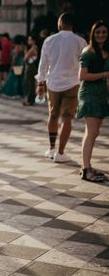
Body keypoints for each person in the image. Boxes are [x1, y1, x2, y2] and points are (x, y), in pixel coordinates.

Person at [35, 13, 87, 163]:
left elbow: (43, 63)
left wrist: (40, 82)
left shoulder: (49, 40)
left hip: (53, 84)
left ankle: (51, 148)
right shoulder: (80, 41)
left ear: (60, 24)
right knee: (67, 118)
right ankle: (60, 153)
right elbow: (84, 63)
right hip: (72, 83)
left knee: (52, 115)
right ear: (72, 24)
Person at [77, 21, 109, 182]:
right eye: (97, 32)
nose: (101, 35)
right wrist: (104, 74)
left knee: (93, 132)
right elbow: (82, 76)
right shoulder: (88, 51)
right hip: (89, 94)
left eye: (103, 32)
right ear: (92, 34)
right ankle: (86, 169)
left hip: (101, 94)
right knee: (91, 132)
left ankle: (87, 166)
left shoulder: (105, 50)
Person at [22, 35, 40, 106]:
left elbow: (25, 59)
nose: (28, 41)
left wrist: (25, 50)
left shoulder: (32, 49)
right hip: (32, 67)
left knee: (30, 84)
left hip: (30, 67)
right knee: (31, 83)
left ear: (33, 41)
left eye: (29, 40)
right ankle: (31, 99)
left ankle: (30, 100)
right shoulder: (35, 48)